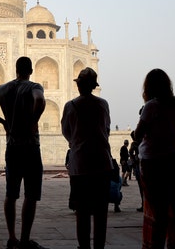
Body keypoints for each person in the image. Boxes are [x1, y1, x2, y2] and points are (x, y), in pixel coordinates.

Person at [0, 56, 46, 249]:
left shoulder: (3, 89)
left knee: (11, 193)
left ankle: (11, 237)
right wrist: (33, 120)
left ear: (15, 69)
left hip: (12, 146)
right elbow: (39, 100)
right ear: (30, 70)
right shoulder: (34, 86)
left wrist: (2, 121)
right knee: (30, 194)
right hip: (31, 146)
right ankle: (24, 240)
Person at [132, 69, 175, 249]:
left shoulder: (151, 106)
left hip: (153, 161)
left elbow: (138, 134)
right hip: (174, 157)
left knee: (158, 208)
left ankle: (155, 245)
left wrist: (135, 134)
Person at [61, 67, 113, 249]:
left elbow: (66, 132)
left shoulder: (71, 105)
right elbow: (106, 129)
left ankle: (84, 247)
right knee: (101, 212)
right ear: (93, 86)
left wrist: (77, 142)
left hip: (80, 163)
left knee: (82, 212)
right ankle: (99, 246)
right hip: (102, 162)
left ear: (79, 85)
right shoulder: (103, 104)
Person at [129, 140, 144, 212]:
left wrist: (134, 160)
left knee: (142, 187)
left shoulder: (135, 143)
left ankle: (144, 205)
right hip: (148, 164)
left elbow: (130, 152)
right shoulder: (144, 140)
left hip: (139, 165)